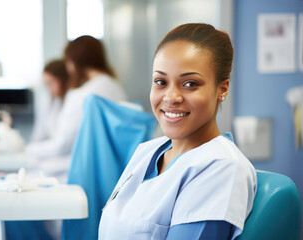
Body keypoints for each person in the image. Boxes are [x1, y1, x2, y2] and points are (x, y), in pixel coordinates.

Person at [98, 23, 257, 239]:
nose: (171, 97)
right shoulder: (147, 152)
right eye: (161, 82)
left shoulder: (221, 167)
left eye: (190, 83)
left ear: (222, 88)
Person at [26, 36, 127, 182]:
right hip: (115, 171)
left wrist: (29, 149)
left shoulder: (80, 95)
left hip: (85, 173)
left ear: (73, 64)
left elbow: (62, 144)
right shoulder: (116, 89)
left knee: (34, 173)